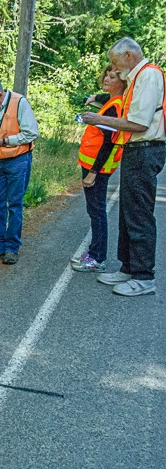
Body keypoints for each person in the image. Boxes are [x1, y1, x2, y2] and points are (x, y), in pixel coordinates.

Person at [82, 37, 166, 296]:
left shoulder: (148, 76)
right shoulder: (135, 78)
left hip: (145, 149)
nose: (114, 69)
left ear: (129, 55)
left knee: (139, 214)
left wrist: (99, 119)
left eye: (115, 62)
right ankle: (128, 267)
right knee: (127, 213)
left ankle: (144, 276)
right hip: (134, 150)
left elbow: (139, 123)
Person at [0, 80, 39, 265]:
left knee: (14, 205)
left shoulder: (20, 103)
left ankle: (12, 248)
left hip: (18, 161)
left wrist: (2, 142)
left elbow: (31, 133)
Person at [72, 65, 127, 273]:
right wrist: (95, 96)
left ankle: (98, 258)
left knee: (96, 212)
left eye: (113, 77)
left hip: (97, 168)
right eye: (106, 74)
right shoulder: (113, 101)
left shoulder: (115, 107)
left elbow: (108, 143)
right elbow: (106, 98)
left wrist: (93, 172)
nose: (107, 78)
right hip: (93, 165)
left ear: (122, 82)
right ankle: (95, 251)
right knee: (94, 210)